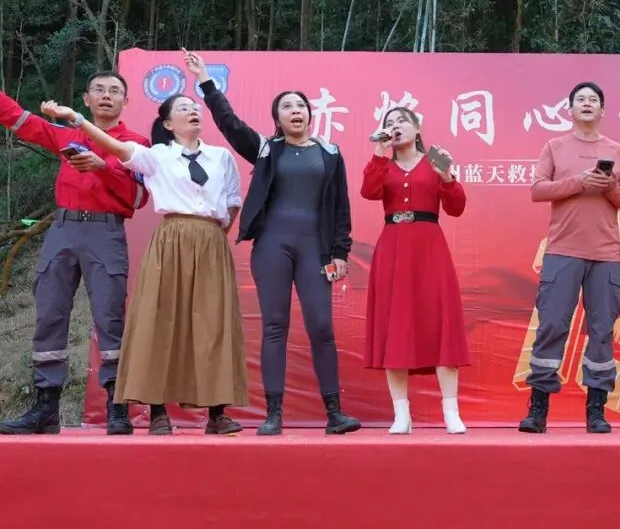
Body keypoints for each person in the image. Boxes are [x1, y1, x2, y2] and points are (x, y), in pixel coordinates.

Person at [40, 95, 248, 435]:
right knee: (159, 321)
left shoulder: (221, 157)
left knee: (214, 324)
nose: (193, 112)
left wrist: (212, 236)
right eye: (183, 109)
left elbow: (232, 202)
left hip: (211, 240)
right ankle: (157, 413)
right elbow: (113, 146)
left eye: (195, 108)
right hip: (170, 240)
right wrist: (77, 119)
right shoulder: (157, 156)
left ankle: (217, 413)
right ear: (167, 123)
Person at [184, 50, 360, 436]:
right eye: (287, 107)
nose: (295, 110)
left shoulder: (330, 153)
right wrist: (205, 80)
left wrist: (340, 253)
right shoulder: (267, 150)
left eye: (300, 106)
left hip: (316, 249)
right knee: (275, 325)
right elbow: (230, 124)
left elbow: (341, 208)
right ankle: (273, 414)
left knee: (321, 326)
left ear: (310, 114)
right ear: (277, 118)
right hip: (272, 246)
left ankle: (335, 414)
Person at [0, 74, 148, 436]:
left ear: (125, 102)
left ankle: (117, 408)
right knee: (49, 313)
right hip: (63, 229)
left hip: (105, 231)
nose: (107, 96)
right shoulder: (67, 135)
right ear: (85, 99)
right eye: (99, 90)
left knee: (110, 317)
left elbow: (137, 197)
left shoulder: (135, 143)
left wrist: (104, 168)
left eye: (115, 91)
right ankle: (46, 408)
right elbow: (20, 120)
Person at [518, 81, 620, 435]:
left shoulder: (618, 151)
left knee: (602, 330)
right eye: (580, 100)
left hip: (606, 255)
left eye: (593, 100)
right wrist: (579, 183)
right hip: (562, 251)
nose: (587, 104)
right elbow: (537, 190)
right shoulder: (554, 147)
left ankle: (596, 411)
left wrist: (611, 188)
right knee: (552, 325)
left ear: (602, 110)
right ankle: (538, 409)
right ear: (570, 110)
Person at [361, 107, 470, 434]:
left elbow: (457, 207)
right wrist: (379, 153)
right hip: (393, 249)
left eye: (402, 121)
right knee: (395, 325)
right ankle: (401, 414)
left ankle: (451, 411)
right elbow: (369, 191)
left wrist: (447, 177)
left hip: (429, 248)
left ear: (417, 127)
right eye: (389, 123)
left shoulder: (434, 159)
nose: (395, 127)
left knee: (440, 323)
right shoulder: (383, 163)